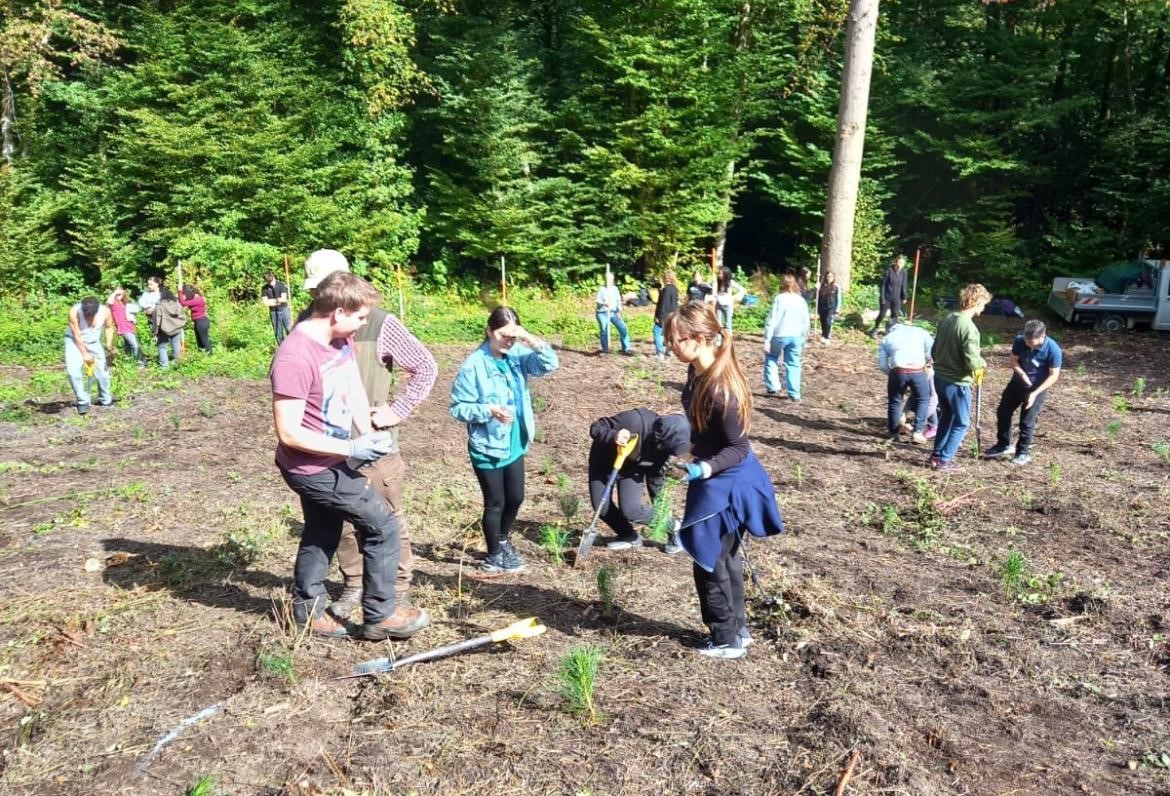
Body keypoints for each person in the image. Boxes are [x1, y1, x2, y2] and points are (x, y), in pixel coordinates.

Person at [271, 270, 424, 640]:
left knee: (323, 529)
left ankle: (308, 610)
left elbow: (352, 386)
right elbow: (289, 432)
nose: (363, 325)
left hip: (334, 457)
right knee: (382, 524)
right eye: (359, 318)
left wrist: (369, 433)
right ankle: (381, 614)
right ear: (337, 312)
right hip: (311, 466)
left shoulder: (340, 341)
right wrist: (351, 448)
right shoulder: (294, 356)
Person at [297, 249, 438, 626]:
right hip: (327, 450)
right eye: (315, 291)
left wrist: (395, 410)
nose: (317, 297)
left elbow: (425, 366)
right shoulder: (307, 324)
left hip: (372, 449)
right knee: (339, 525)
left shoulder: (377, 323)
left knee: (387, 522)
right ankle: (356, 585)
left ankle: (395, 593)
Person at [663, 302, 784, 659]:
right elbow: (706, 432)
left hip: (729, 483)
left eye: (676, 340)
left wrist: (703, 469)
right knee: (725, 556)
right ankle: (737, 630)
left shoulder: (722, 389)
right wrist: (691, 452)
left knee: (708, 558)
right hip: (715, 473)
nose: (671, 345)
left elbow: (738, 447)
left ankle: (724, 637)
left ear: (699, 339)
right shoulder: (696, 372)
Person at [450, 307, 559, 573]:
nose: (507, 340)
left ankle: (502, 537)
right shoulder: (474, 365)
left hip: (514, 441)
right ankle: (494, 556)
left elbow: (550, 364)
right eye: (503, 334)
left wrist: (528, 338)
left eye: (512, 335)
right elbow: (458, 408)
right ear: (489, 331)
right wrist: (489, 411)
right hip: (487, 445)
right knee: (495, 502)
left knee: (517, 497)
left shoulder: (517, 355)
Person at [587, 409, 691, 553]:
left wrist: (666, 519)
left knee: (631, 510)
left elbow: (656, 482)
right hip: (604, 461)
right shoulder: (634, 421)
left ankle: (674, 526)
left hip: (631, 468)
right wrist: (614, 436)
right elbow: (597, 427)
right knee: (601, 506)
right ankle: (628, 534)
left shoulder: (663, 450)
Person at [983, 319, 1063, 466]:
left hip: (1037, 388)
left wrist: (1034, 393)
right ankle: (1003, 444)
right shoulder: (1020, 341)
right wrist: (1021, 374)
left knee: (1026, 421)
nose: (1028, 344)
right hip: (1017, 384)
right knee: (1003, 412)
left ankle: (1023, 452)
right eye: (1027, 340)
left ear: (1042, 336)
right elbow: (1013, 360)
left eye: (1032, 342)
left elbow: (1054, 375)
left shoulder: (1053, 350)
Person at [929, 283, 991, 472]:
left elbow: (934, 348)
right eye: (983, 304)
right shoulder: (969, 328)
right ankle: (944, 460)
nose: (984, 308)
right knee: (962, 422)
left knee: (946, 416)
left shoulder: (948, 318)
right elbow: (972, 361)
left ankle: (936, 454)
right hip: (957, 382)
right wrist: (982, 363)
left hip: (939, 377)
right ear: (977, 302)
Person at [878, 322, 934, 444]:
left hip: (898, 370)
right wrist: (928, 361)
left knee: (895, 401)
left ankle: (893, 433)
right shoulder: (921, 332)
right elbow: (931, 351)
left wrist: (892, 373)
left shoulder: (888, 338)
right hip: (918, 371)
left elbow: (882, 365)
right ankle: (918, 431)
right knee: (923, 399)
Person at [762, 274, 811, 402]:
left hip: (779, 335)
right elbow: (806, 321)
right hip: (796, 336)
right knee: (793, 364)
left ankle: (773, 386)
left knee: (771, 358)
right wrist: (804, 337)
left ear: (781, 285)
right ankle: (794, 392)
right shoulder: (801, 300)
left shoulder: (779, 299)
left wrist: (767, 339)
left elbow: (772, 319)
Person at [64, 297, 115, 415]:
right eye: (86, 315)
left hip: (94, 342)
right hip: (73, 342)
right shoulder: (74, 312)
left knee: (103, 373)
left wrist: (108, 344)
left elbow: (108, 327)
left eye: (91, 315)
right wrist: (85, 354)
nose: (88, 317)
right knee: (73, 372)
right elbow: (76, 335)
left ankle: (105, 399)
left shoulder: (105, 311)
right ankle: (83, 401)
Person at [870, 255, 909, 336]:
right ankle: (875, 329)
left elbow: (904, 285)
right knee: (882, 314)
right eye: (899, 263)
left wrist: (904, 297)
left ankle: (890, 330)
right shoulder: (889, 271)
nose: (900, 265)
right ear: (895, 262)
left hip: (897, 298)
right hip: (887, 297)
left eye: (902, 263)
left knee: (895, 315)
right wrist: (882, 298)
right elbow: (883, 285)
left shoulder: (904, 272)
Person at [595, 272, 632, 355]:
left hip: (613, 312)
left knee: (623, 328)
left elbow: (618, 300)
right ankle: (605, 350)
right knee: (604, 330)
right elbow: (597, 301)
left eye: (611, 279)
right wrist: (604, 303)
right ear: (605, 279)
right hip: (602, 313)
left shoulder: (615, 289)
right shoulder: (601, 289)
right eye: (607, 279)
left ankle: (626, 348)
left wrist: (619, 311)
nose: (609, 281)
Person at [150, 286, 186, 368]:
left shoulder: (159, 306)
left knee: (162, 346)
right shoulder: (177, 303)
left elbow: (156, 320)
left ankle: (165, 366)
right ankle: (179, 364)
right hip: (177, 328)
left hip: (164, 330)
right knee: (176, 346)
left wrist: (155, 332)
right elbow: (182, 315)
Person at [108, 287, 145, 366]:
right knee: (135, 345)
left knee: (129, 346)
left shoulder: (123, 303)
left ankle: (129, 361)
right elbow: (109, 302)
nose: (119, 295)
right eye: (117, 294)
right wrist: (115, 293)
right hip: (123, 328)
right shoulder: (114, 303)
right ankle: (139, 362)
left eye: (120, 294)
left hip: (130, 326)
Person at [653, 270, 680, 360]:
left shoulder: (666, 289)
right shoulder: (675, 289)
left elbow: (663, 304)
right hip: (673, 315)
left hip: (664, 315)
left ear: (666, 278)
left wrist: (658, 316)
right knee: (669, 333)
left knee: (657, 332)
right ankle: (669, 351)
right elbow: (675, 304)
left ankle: (660, 353)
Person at [713, 267, 747, 332]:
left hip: (728, 306)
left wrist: (734, 297)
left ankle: (728, 340)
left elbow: (742, 289)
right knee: (718, 324)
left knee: (728, 324)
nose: (719, 275)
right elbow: (715, 293)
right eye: (719, 273)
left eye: (721, 274)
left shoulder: (730, 282)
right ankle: (719, 340)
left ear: (726, 274)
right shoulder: (717, 282)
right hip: (719, 305)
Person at [180, 285, 212, 353]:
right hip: (198, 322)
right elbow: (182, 302)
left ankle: (209, 354)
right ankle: (201, 355)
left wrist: (179, 292)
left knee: (204, 340)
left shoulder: (198, 300)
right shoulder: (194, 299)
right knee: (199, 341)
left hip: (201, 321)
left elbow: (183, 303)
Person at [816, 271, 841, 345]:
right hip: (822, 306)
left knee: (828, 321)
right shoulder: (821, 286)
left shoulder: (836, 287)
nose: (829, 278)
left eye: (831, 277)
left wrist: (837, 309)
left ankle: (827, 337)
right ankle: (823, 335)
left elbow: (838, 298)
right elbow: (818, 297)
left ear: (833, 278)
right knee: (822, 321)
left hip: (831, 307)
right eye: (828, 276)